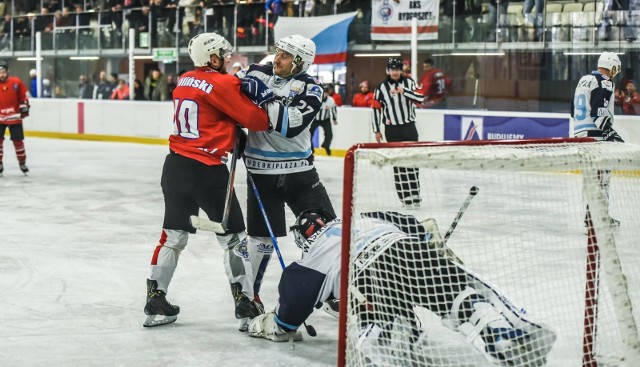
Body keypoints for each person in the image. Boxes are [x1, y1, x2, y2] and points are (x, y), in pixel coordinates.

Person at [247, 209, 556, 367]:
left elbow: (285, 325)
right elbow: (423, 229)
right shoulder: (364, 216)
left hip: (370, 274)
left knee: (379, 326)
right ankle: (498, 334)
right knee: (461, 298)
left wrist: (262, 322)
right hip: (412, 252)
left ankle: (395, 334)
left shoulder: (310, 259)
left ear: (304, 240)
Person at [143, 32, 272, 328]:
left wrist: (227, 124)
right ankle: (245, 302)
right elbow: (257, 120)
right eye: (222, 55)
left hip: (175, 166)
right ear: (211, 57)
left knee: (172, 236)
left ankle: (155, 297)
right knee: (233, 239)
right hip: (208, 170)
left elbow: (208, 110)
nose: (226, 59)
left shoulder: (184, 80)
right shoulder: (223, 82)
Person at [235, 34, 337, 308]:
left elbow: (289, 125)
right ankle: (248, 298)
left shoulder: (311, 88)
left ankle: (335, 291)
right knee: (260, 240)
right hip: (261, 174)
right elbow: (231, 94)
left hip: (300, 175)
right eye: (277, 52)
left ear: (300, 62)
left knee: (328, 233)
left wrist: (264, 96)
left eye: (284, 55)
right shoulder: (257, 72)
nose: (276, 59)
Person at [571, 51, 624, 228]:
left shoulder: (584, 79)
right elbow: (598, 112)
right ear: (611, 65)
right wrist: (610, 132)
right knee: (603, 176)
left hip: (580, 134)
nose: (616, 72)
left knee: (594, 177)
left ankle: (591, 214)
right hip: (596, 135)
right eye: (615, 68)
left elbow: (573, 111)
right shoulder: (605, 81)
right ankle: (599, 216)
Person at [371, 58, 424, 208]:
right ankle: (404, 196)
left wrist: (404, 91)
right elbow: (376, 109)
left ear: (401, 70)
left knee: (413, 160)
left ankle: (415, 193)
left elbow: (421, 98)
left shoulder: (410, 83)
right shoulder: (380, 87)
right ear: (388, 70)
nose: (395, 72)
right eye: (392, 69)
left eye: (397, 69)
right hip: (392, 130)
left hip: (409, 127)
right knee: (398, 163)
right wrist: (376, 129)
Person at [0, 61, 30, 176]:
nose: (1, 75)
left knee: (18, 142)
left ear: (7, 72)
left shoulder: (16, 82)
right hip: (0, 117)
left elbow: (24, 96)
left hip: (15, 116)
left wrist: (24, 107)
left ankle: (22, 163)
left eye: (3, 72)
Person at [309, 86, 337, 155]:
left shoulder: (331, 100)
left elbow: (333, 109)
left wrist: (334, 119)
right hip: (315, 119)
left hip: (326, 120)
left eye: (325, 93)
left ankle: (326, 145)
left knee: (329, 135)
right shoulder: (315, 99)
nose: (324, 94)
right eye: (323, 93)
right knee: (309, 134)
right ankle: (311, 149)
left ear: (327, 93)